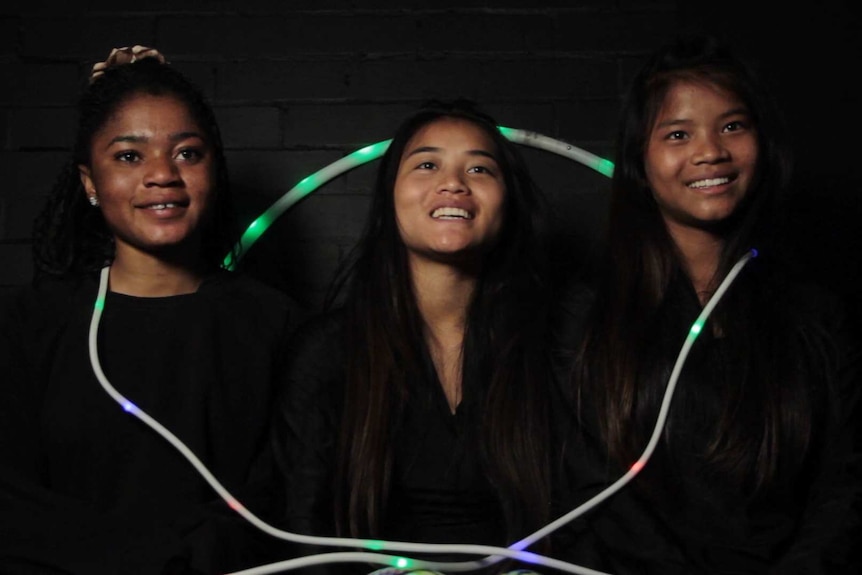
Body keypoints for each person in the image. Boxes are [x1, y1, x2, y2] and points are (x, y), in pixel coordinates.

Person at [556, 34, 862, 574]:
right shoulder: (587, 317)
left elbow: (845, 482)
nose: (710, 151)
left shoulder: (815, 313)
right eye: (678, 133)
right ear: (639, 160)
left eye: (733, 126)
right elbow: (588, 493)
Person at [0, 47, 303, 574]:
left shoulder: (274, 325)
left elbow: (286, 494)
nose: (162, 174)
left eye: (187, 153)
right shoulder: (33, 322)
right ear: (90, 182)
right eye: (129, 156)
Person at [271, 99, 568, 574]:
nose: (453, 183)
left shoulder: (555, 345)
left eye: (480, 169)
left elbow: (589, 520)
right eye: (427, 164)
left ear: (508, 202)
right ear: (390, 195)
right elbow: (302, 531)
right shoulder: (326, 352)